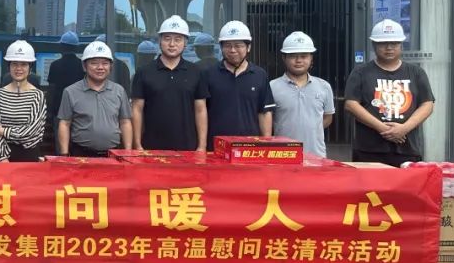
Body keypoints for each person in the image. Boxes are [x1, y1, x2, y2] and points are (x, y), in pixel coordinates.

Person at [344, 18, 435, 166]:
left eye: (394, 43)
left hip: (407, 149)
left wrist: (404, 128)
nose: (389, 47)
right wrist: (383, 128)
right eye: (383, 43)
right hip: (369, 150)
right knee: (370, 182)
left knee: (407, 182)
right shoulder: (360, 72)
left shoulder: (416, 73)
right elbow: (351, 104)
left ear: (401, 45)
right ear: (374, 45)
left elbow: (427, 104)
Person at [130, 15, 208, 152]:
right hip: (151, 148)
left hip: (188, 148)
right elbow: (137, 110)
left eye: (178, 39)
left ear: (185, 43)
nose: (172, 44)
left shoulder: (196, 72)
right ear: (160, 41)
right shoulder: (144, 72)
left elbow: (200, 110)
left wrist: (202, 146)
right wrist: (137, 145)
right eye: (167, 38)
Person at [203, 20, 275, 148]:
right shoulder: (209, 74)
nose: (233, 50)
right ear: (221, 47)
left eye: (238, 45)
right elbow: (201, 111)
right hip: (216, 147)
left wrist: (266, 144)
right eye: (227, 45)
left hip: (250, 148)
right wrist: (202, 146)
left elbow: (264, 112)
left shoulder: (259, 75)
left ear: (248, 47)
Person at [57, 40, 132, 157]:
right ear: (84, 66)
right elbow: (64, 124)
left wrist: (128, 152)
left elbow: (125, 122)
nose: (100, 67)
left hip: (113, 154)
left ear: (111, 66)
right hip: (81, 155)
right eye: (94, 63)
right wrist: (64, 154)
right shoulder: (70, 92)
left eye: (105, 63)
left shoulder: (119, 91)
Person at [270, 31, 335, 158]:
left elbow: (328, 118)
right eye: (293, 56)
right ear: (284, 58)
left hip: (316, 155)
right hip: (283, 155)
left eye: (304, 56)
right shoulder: (272, 87)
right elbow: (268, 120)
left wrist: (311, 128)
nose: (298, 60)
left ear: (311, 58)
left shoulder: (324, 86)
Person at [0, 40, 46, 162]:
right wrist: (3, 158)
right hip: (2, 157)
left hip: (28, 155)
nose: (18, 68)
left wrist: (3, 131)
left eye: (23, 64)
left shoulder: (38, 96)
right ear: (9, 66)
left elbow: (32, 131)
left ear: (30, 67)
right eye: (14, 64)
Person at [46, 31, 81, 124]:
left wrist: (49, 112)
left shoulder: (55, 65)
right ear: (77, 48)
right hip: (78, 110)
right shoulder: (83, 65)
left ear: (61, 47)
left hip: (59, 110)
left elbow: (52, 90)